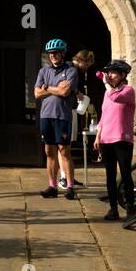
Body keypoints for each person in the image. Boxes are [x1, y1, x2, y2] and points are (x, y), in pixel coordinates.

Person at [34, 38, 79, 200]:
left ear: (62, 53)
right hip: (46, 116)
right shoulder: (43, 71)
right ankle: (52, 186)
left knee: (64, 151)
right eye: (50, 53)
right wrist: (55, 89)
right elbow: (37, 94)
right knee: (49, 151)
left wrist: (47, 88)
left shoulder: (71, 70)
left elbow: (65, 92)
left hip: (62, 116)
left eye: (55, 53)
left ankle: (70, 187)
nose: (52, 56)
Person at [94, 59, 136, 221]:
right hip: (106, 139)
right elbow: (104, 116)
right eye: (108, 73)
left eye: (112, 73)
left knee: (126, 174)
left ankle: (131, 208)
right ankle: (113, 209)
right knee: (110, 175)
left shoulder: (128, 91)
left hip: (122, 138)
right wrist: (98, 136)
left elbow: (115, 98)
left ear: (122, 75)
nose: (109, 75)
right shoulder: (107, 93)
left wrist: (106, 84)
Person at [59, 49, 94, 190]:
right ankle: (63, 177)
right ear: (83, 60)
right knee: (63, 146)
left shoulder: (73, 68)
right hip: (66, 109)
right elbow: (64, 85)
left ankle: (69, 176)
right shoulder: (69, 67)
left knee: (67, 146)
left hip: (71, 109)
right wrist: (77, 92)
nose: (88, 66)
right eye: (89, 63)